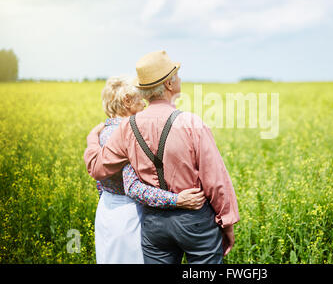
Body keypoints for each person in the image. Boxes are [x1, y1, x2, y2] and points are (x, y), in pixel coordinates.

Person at [84, 50, 239, 264]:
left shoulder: (128, 127)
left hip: (154, 224)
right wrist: (227, 223)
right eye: (177, 75)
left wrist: (92, 138)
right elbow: (215, 180)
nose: (181, 79)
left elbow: (97, 168)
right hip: (194, 220)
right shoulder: (191, 123)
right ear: (169, 84)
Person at [93, 75, 206, 264]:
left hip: (106, 211)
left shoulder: (103, 131)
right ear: (127, 101)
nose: (146, 103)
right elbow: (133, 188)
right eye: (140, 98)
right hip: (128, 218)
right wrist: (177, 200)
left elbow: (100, 183)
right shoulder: (125, 135)